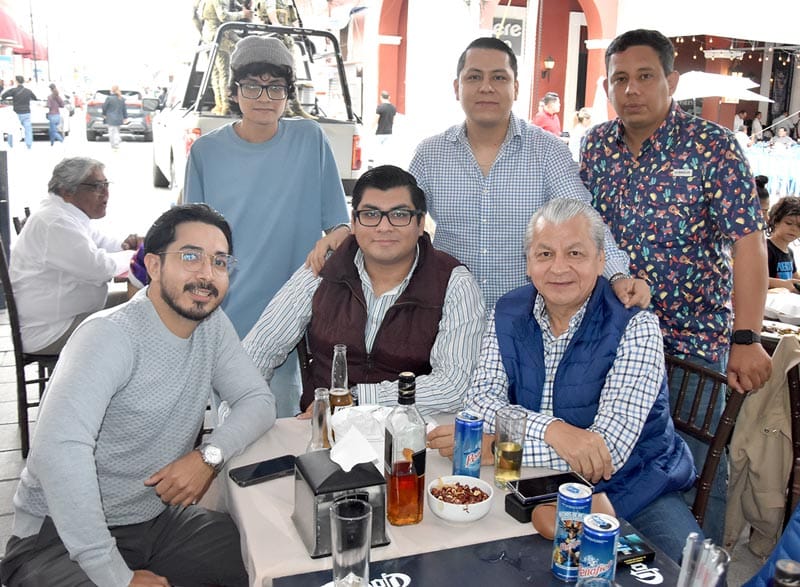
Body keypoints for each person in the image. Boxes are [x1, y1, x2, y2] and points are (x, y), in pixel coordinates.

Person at [0, 203, 276, 587]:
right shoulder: (109, 336)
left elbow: (258, 400)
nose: (206, 273)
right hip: (57, 537)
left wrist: (208, 457)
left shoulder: (212, 326)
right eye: (191, 256)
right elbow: (59, 451)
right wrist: (115, 576)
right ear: (155, 265)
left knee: (263, 555)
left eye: (219, 261)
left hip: (156, 520)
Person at [580, 28, 771, 543]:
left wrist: (747, 337)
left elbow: (748, 243)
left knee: (695, 471)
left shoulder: (712, 146)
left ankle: (702, 570)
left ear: (672, 80)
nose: (631, 90)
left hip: (692, 347)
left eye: (645, 76)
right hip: (614, 341)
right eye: (619, 78)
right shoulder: (596, 146)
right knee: (618, 467)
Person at [430, 199, 699, 562]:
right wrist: (553, 430)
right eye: (545, 254)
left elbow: (606, 453)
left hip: (635, 486)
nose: (559, 268)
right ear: (528, 263)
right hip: (531, 482)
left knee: (690, 573)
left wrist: (495, 447)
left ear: (600, 261)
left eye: (575, 253)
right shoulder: (507, 312)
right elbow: (480, 400)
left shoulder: (636, 325)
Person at [397, 36, 648, 314]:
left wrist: (617, 275)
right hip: (449, 315)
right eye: (474, 77)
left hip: (527, 319)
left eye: (499, 77)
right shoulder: (430, 154)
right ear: (457, 88)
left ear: (515, 88)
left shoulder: (548, 151)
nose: (486, 87)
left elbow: (584, 218)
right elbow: (399, 218)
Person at [185, 35, 349, 417]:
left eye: (275, 86)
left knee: (279, 424)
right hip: (224, 313)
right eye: (252, 85)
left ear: (288, 93)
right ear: (234, 91)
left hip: (287, 319)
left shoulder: (310, 140)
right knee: (231, 426)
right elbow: (191, 241)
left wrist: (331, 243)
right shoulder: (206, 152)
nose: (264, 97)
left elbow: (339, 224)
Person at [244, 165, 485, 415]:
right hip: (322, 429)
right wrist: (244, 416)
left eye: (399, 214)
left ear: (420, 222)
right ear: (354, 222)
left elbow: (455, 387)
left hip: (410, 429)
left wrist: (353, 400)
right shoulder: (323, 269)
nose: (384, 227)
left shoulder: (453, 283)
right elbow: (258, 351)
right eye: (370, 214)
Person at [11, 157, 139, 354]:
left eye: (106, 185)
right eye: (96, 186)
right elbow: (99, 268)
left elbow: (102, 242)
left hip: (68, 316)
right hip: (51, 331)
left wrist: (125, 246)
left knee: (144, 304)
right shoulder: (54, 222)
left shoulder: (66, 215)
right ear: (67, 191)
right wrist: (135, 256)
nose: (105, 193)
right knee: (143, 318)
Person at [199, 0, 252, 115]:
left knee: (215, 74)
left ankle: (219, 105)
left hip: (208, 38)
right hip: (218, 39)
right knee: (224, 74)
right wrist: (242, 15)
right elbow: (223, 16)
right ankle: (225, 106)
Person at [766, 196, 800, 291]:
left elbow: (794, 276)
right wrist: (783, 284)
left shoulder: (789, 252)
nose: (794, 229)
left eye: (799, 226)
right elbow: (755, 278)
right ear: (775, 221)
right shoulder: (766, 249)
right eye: (789, 223)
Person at [1, 76, 36, 149]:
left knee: (12, 128)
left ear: (16, 81)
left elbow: (3, 96)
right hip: (26, 112)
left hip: (16, 113)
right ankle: (29, 144)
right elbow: (35, 98)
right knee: (28, 129)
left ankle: (10, 144)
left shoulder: (13, 90)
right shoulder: (28, 91)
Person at [102, 85, 127, 150]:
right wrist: (125, 117)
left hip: (110, 118)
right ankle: (117, 143)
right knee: (117, 131)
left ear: (112, 90)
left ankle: (114, 145)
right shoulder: (121, 98)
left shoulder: (109, 98)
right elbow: (124, 109)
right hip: (119, 118)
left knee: (112, 132)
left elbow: (104, 107)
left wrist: (104, 114)